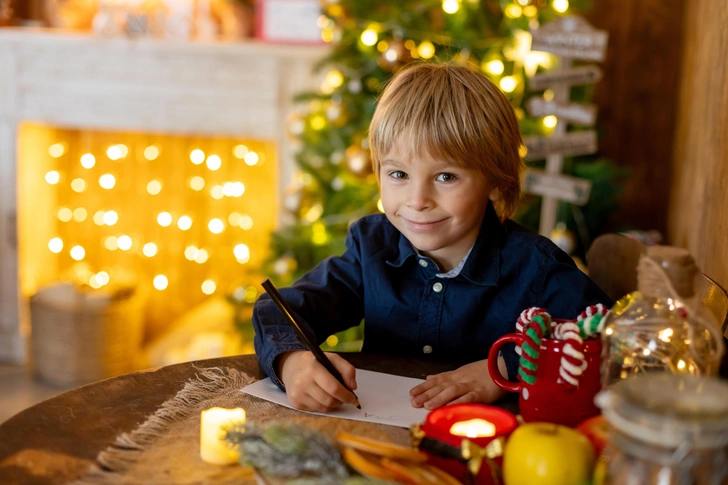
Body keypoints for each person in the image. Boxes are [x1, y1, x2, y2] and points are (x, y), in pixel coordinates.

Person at [252, 62, 611, 413]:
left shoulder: (536, 268)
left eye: (445, 177)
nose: (417, 201)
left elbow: (605, 335)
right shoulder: (371, 247)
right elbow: (280, 310)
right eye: (398, 174)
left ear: (495, 182)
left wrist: (502, 367)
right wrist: (292, 361)